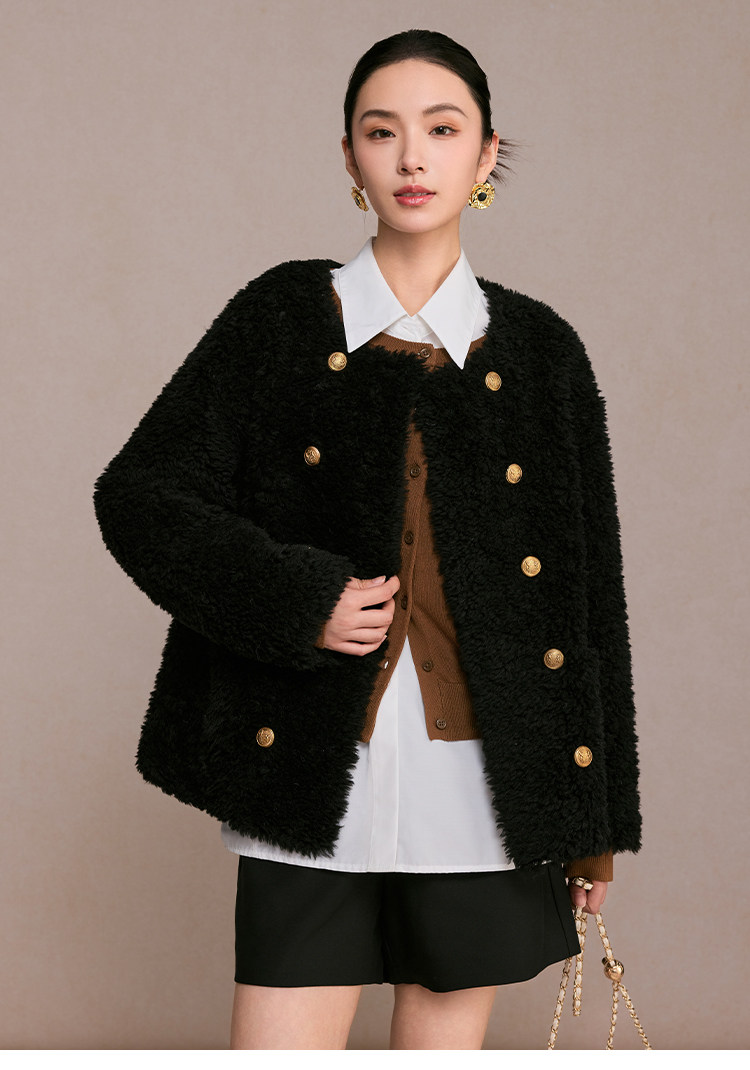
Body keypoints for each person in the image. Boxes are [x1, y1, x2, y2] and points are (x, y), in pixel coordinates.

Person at [93, 29, 642, 1051]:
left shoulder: (542, 352)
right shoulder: (280, 318)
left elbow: (588, 593)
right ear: (348, 155)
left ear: (486, 155)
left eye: (443, 129)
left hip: (484, 792)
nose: (411, 157)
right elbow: (141, 495)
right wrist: (295, 599)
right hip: (307, 774)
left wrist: (594, 818)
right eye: (381, 131)